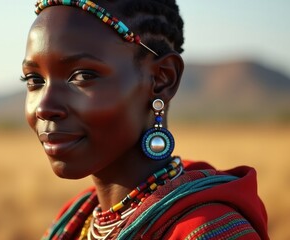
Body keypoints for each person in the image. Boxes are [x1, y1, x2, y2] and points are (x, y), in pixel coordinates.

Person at [21, 0, 268, 239]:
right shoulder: (76, 219)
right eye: (34, 80)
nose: (44, 107)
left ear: (162, 79)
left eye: (82, 75)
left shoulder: (206, 230)